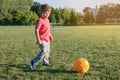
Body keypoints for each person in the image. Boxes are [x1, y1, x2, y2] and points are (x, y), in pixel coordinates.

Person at [30, 4, 53, 70]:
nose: (46, 15)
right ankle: (33, 62)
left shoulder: (47, 20)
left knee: (47, 51)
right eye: (45, 13)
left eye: (48, 13)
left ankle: (45, 62)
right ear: (41, 12)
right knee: (44, 51)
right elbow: (36, 30)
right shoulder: (40, 20)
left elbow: (47, 29)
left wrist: (50, 35)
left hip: (47, 39)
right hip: (42, 39)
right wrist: (38, 39)